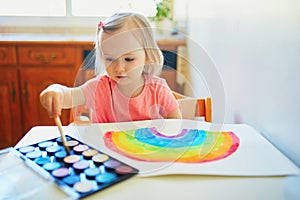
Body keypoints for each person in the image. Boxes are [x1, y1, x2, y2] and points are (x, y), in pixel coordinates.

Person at [40, 11, 182, 123]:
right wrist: (55, 90)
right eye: (110, 59)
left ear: (148, 56)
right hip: (106, 157)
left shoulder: (158, 89)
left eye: (128, 59)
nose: (119, 68)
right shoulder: (99, 88)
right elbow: (69, 96)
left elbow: (176, 123)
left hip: (147, 155)